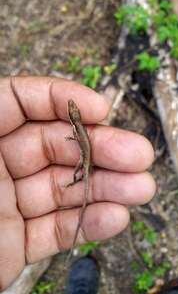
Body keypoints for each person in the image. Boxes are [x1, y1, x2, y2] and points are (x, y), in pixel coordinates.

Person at [0, 76, 156, 292]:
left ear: (74, 119)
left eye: (73, 111)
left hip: (86, 158)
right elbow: (76, 137)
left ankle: (75, 182)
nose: (71, 109)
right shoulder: (77, 126)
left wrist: (75, 144)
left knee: (80, 172)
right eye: (72, 110)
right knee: (82, 172)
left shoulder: (75, 128)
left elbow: (76, 139)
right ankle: (76, 183)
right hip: (86, 158)